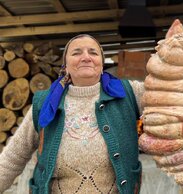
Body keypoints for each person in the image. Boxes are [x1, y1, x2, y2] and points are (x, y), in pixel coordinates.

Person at [0, 34, 145, 194]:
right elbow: (13, 156)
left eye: (93, 53)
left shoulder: (129, 92)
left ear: (102, 64)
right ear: (66, 66)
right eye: (76, 53)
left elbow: (169, 96)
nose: (86, 57)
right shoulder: (45, 103)